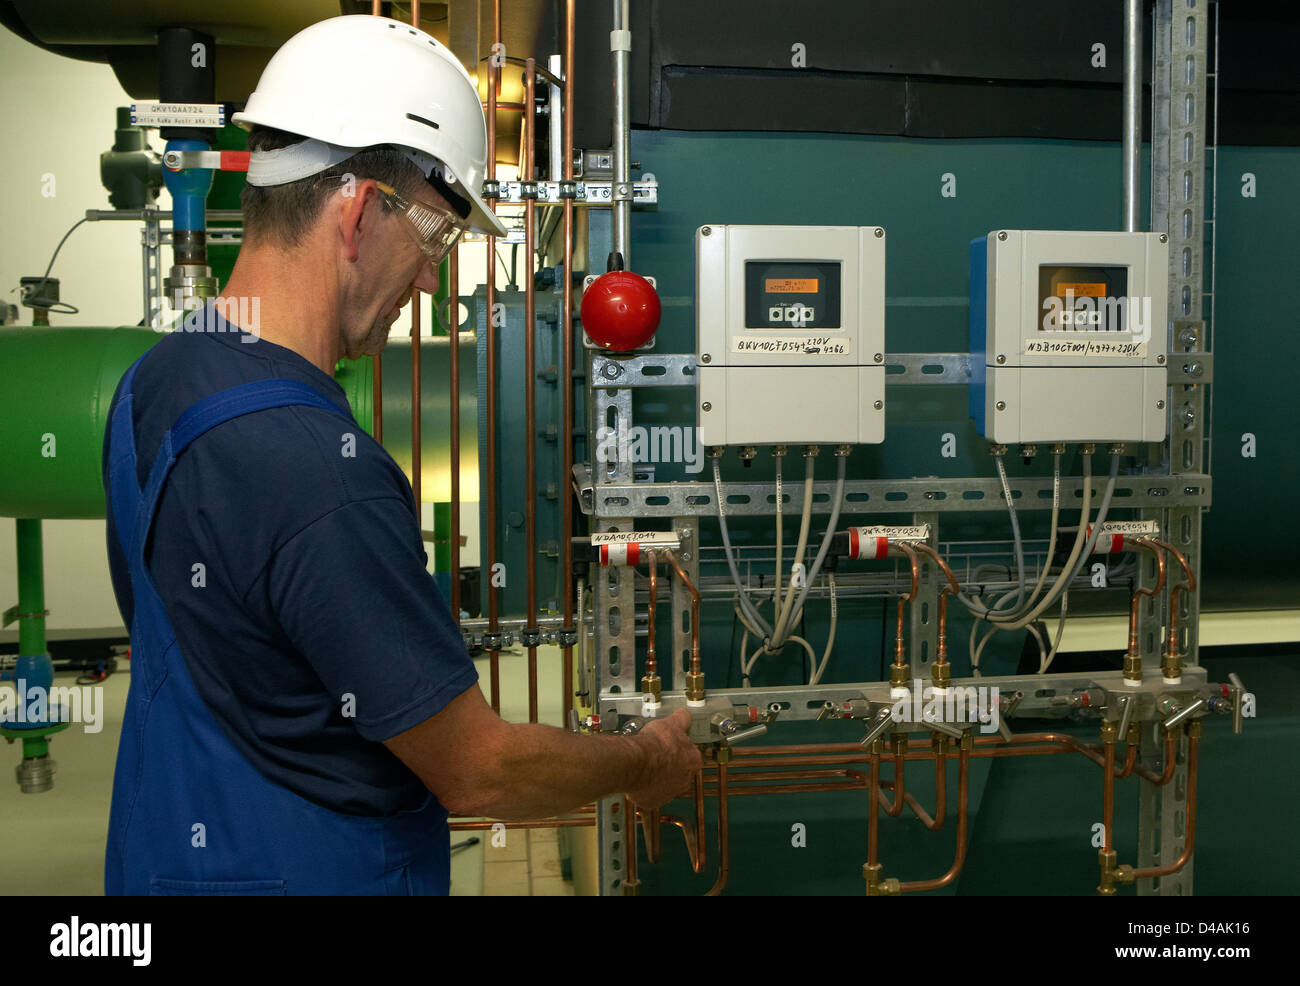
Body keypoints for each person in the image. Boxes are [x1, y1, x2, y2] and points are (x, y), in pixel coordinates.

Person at [102, 14, 699, 896]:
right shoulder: (318, 472)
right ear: (354, 214)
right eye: (433, 240)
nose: (429, 280)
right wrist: (645, 762)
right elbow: (479, 769)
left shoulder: (154, 382)